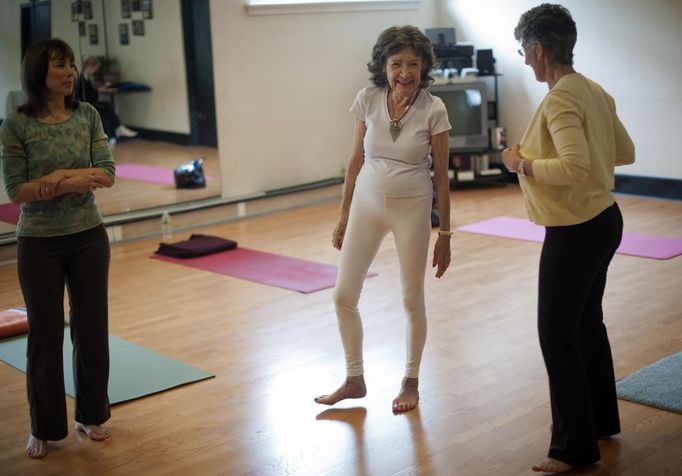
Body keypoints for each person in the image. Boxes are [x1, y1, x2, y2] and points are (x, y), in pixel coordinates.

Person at [501, 4, 635, 473]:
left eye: (524, 51)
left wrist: (522, 164)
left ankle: (573, 449)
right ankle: (598, 422)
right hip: (604, 220)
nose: (523, 60)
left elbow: (575, 167)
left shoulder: (559, 99)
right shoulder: (592, 90)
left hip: (577, 230)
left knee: (557, 333)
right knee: (585, 324)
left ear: (539, 49)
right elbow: (625, 151)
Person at [314, 26, 452, 413]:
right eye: (396, 64)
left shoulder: (434, 109)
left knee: (411, 298)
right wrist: (343, 215)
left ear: (424, 67)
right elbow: (355, 160)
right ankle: (354, 378)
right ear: (383, 66)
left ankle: (410, 382)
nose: (404, 72)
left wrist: (446, 233)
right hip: (366, 204)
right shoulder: (368, 98)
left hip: (413, 208)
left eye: (413, 64)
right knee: (343, 295)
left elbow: (441, 174)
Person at [0, 39, 116, 459]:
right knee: (45, 336)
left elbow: (106, 174)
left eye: (70, 65)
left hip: (88, 235)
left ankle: (91, 414)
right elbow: (17, 191)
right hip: (38, 242)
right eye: (59, 67)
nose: (69, 73)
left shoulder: (87, 115)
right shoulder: (17, 124)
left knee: (91, 329)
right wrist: (71, 181)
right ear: (38, 74)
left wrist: (60, 176)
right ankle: (44, 426)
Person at [76, 56, 138, 145]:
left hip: (90, 103)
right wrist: (97, 90)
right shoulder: (81, 79)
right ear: (89, 66)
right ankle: (118, 129)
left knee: (108, 107)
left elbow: (92, 96)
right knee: (107, 109)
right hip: (85, 105)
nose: (95, 71)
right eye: (95, 68)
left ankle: (114, 134)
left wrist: (96, 89)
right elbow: (82, 96)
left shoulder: (88, 78)